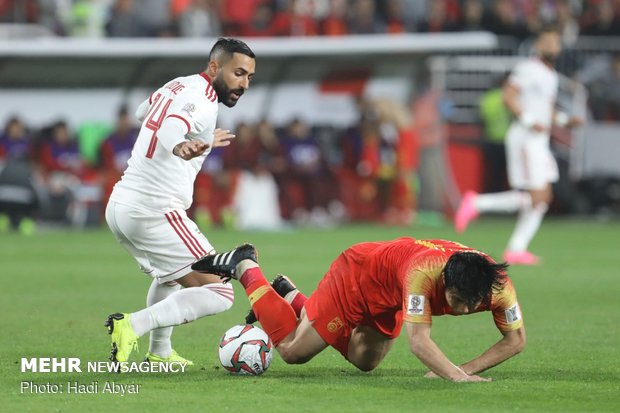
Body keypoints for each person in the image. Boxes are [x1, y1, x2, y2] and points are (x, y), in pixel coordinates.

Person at [104, 38, 256, 367]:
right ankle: (132, 325)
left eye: (249, 77)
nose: (244, 84)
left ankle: (159, 354)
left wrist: (188, 139)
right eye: (238, 73)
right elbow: (171, 128)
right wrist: (182, 145)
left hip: (122, 205)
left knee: (170, 278)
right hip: (154, 209)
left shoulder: (179, 84)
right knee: (221, 293)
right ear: (215, 67)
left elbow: (142, 111)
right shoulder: (200, 100)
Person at [192, 238, 526, 382]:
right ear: (444, 283)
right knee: (294, 351)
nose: (466, 310)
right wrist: (454, 375)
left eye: (473, 303)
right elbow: (419, 341)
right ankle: (245, 266)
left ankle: (292, 297)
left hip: (389, 295)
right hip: (357, 278)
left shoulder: (499, 287)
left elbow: (516, 340)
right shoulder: (423, 275)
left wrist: (464, 368)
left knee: (365, 362)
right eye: (457, 301)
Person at [455, 27, 582, 265]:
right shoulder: (528, 68)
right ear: (538, 46)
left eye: (556, 43)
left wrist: (565, 121)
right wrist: (529, 121)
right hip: (525, 137)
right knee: (535, 195)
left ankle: (516, 247)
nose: (554, 47)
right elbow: (508, 96)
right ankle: (477, 204)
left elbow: (546, 108)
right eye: (549, 42)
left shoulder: (550, 75)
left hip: (538, 139)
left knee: (542, 197)